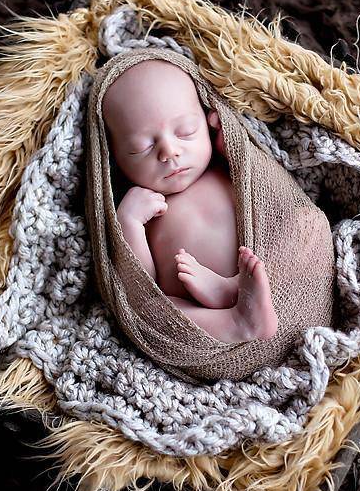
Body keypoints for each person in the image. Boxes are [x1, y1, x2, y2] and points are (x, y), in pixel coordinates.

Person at [101, 59, 279, 344]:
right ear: (114, 159)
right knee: (148, 314)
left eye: (185, 131)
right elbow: (139, 284)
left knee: (305, 222)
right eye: (141, 148)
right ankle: (237, 322)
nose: (169, 152)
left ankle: (233, 290)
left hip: (265, 275)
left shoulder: (223, 169)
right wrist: (130, 223)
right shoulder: (142, 208)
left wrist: (228, 142)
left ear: (206, 122)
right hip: (200, 318)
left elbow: (270, 191)